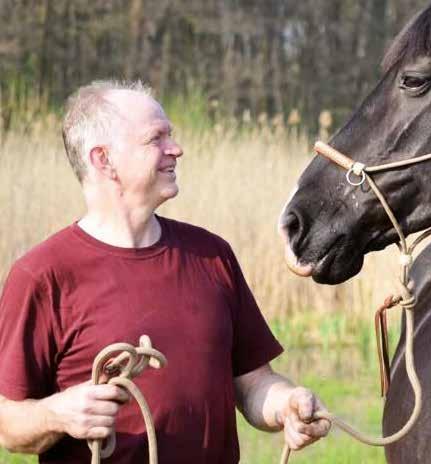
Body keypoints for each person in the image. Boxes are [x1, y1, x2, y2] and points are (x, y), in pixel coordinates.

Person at [0, 80, 330, 463]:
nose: (176, 149)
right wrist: (58, 414)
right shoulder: (43, 275)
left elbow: (254, 384)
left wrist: (287, 404)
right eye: (156, 138)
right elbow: (8, 424)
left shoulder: (211, 255)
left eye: (170, 136)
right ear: (102, 159)